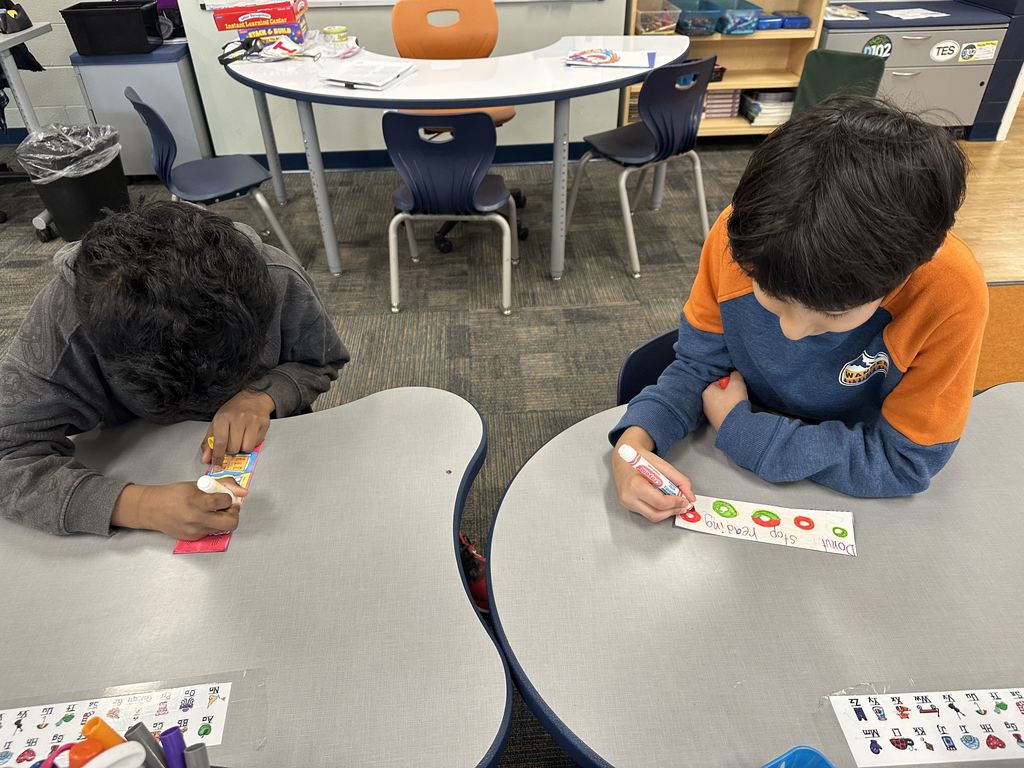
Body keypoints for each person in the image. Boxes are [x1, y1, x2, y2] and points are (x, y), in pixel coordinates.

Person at [610, 95, 988, 522]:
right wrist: (635, 443)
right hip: (739, 462)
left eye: (832, 314)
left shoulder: (950, 293)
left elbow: (906, 461)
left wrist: (742, 428)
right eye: (771, 297)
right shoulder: (749, 239)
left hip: (849, 498)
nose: (790, 331)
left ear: (919, 262)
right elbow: (699, 367)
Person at [0, 201, 348, 540]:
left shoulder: (277, 279)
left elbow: (321, 359)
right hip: (138, 465)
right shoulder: (62, 322)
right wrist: (138, 505)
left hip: (283, 455)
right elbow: (8, 458)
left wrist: (263, 395)